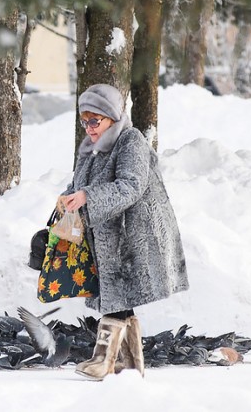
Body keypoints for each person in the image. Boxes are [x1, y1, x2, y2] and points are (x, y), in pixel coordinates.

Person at [60, 84, 189, 381]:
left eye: (96, 121)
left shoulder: (131, 141)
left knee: (117, 295)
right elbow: (80, 182)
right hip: (108, 235)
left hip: (134, 235)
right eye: (85, 121)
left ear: (112, 118)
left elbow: (131, 185)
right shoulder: (90, 148)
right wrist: (70, 197)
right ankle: (130, 363)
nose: (90, 128)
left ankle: (103, 361)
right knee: (119, 295)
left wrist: (88, 197)